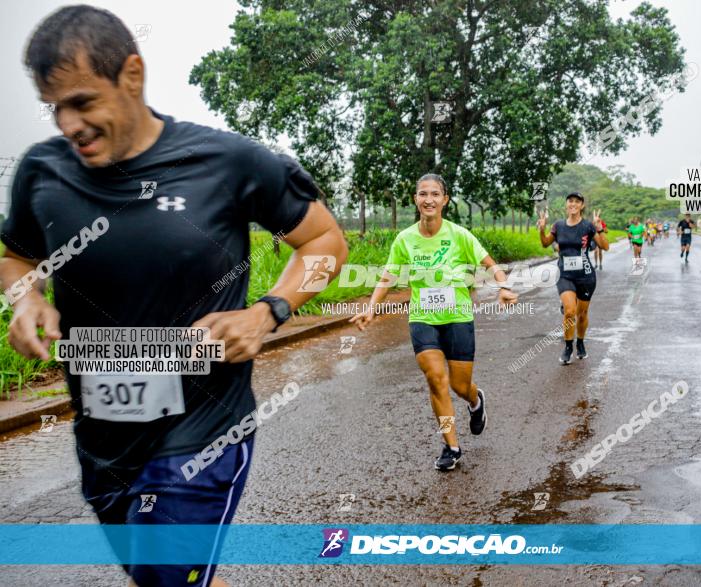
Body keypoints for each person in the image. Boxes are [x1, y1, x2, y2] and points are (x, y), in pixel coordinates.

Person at [0, 7, 348, 585]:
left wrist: (269, 310)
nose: (68, 124)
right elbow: (16, 257)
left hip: (203, 432)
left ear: (131, 75)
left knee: (165, 575)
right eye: (54, 105)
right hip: (103, 443)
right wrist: (26, 298)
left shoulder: (228, 162)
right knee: (160, 575)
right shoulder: (41, 173)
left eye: (83, 102)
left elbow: (326, 244)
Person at [351, 174, 517, 471]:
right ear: (415, 199)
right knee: (436, 378)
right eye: (423, 194)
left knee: (459, 384)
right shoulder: (405, 239)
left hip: (458, 317)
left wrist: (503, 287)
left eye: (435, 194)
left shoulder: (459, 235)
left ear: (445, 200)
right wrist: (371, 308)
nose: (428, 199)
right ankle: (451, 446)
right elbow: (388, 275)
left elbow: (491, 265)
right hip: (423, 318)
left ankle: (475, 400)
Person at [537, 193, 609, 365]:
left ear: (582, 206)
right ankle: (568, 346)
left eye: (577, 202)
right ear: (566, 204)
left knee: (582, 314)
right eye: (570, 201)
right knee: (570, 311)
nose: (573, 204)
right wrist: (541, 229)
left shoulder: (588, 226)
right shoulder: (558, 225)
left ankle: (581, 342)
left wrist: (598, 227)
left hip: (585, 276)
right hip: (565, 275)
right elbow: (545, 243)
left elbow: (605, 246)